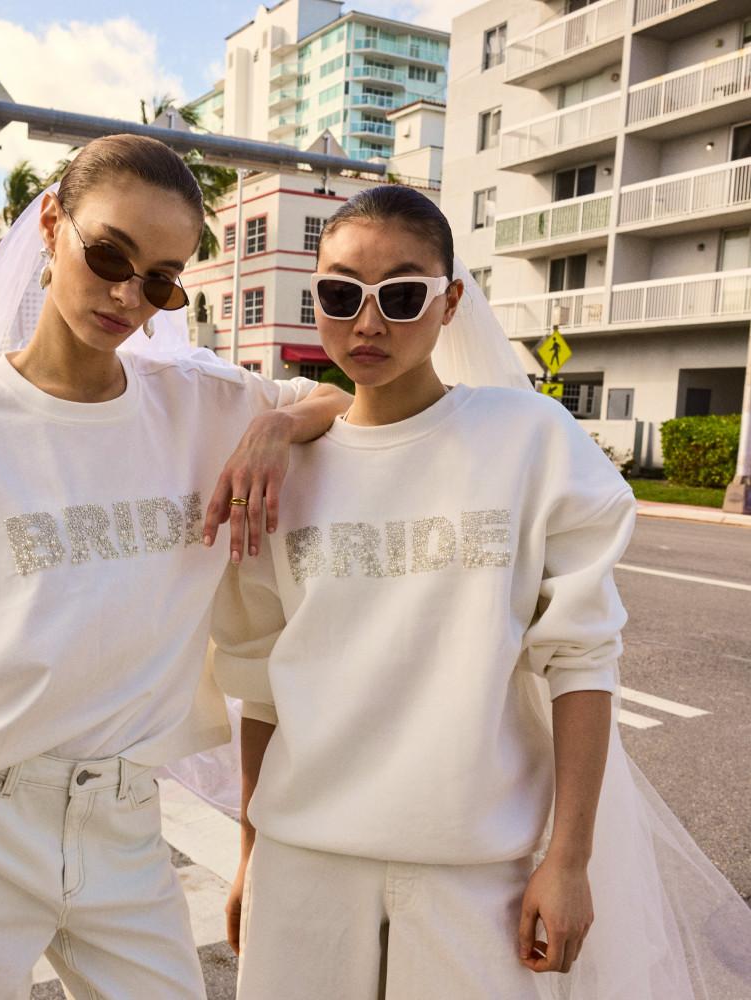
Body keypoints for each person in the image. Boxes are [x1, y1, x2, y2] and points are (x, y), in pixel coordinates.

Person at [0, 134, 350, 1000]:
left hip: (121, 823)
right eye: (108, 254)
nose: (125, 294)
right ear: (50, 223)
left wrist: (276, 426)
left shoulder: (203, 406)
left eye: (159, 279)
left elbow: (351, 401)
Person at [211, 185, 751, 1000]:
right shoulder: (284, 469)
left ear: (450, 300)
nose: (367, 322)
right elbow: (259, 687)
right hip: (303, 865)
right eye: (339, 293)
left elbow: (580, 662)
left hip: (475, 877)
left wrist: (568, 861)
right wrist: (252, 854)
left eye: (400, 295)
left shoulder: (527, 441)